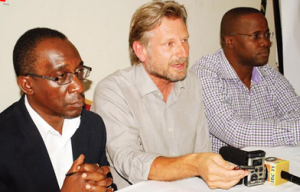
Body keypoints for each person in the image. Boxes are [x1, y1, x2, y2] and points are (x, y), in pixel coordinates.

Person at [91, 1, 247, 190]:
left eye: (184, 40)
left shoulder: (192, 83)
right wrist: (195, 164)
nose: (183, 52)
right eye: (169, 44)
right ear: (141, 50)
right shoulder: (113, 91)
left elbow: (202, 150)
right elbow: (129, 161)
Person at [0, 28, 115, 192]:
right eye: (61, 76)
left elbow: (108, 183)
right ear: (27, 84)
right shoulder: (4, 142)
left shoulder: (91, 125)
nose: (79, 86)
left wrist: (103, 186)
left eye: (79, 72)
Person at [191, 7, 300, 153]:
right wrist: (286, 128)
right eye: (256, 36)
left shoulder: (268, 73)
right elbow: (235, 132)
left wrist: (253, 130)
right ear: (230, 41)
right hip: (225, 171)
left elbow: (296, 112)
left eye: (267, 34)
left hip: (272, 165)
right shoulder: (205, 74)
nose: (265, 43)